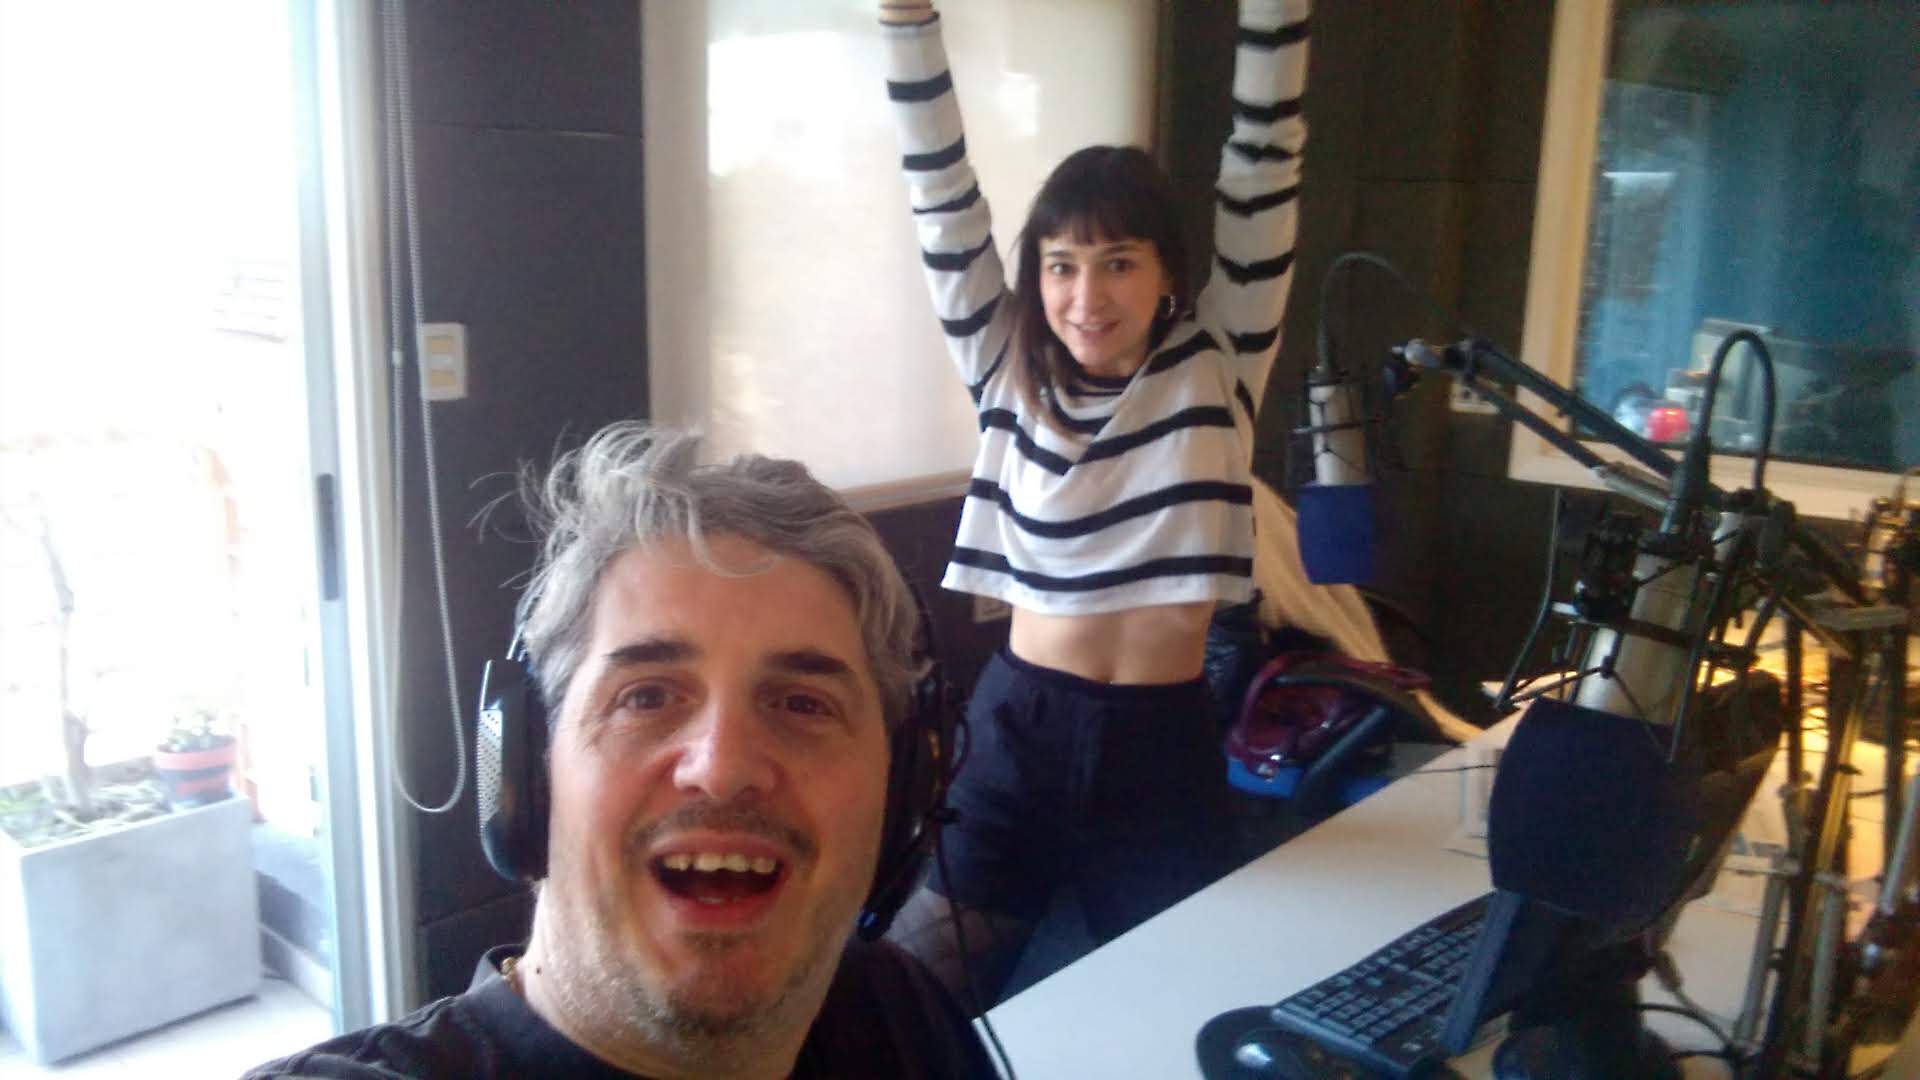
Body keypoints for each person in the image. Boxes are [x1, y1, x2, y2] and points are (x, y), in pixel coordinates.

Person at [246, 423, 993, 1078]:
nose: (722, 766)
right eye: (647, 697)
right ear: (528, 772)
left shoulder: (901, 1012)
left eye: (802, 704)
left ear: (904, 793)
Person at [877, 0, 1313, 1006]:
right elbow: (941, 193)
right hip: (1017, 734)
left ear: (1167, 276)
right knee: (912, 1002)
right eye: (1061, 265)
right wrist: (906, 21)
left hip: (1161, 750)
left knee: (1179, 1013)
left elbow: (1266, 158)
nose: (1086, 296)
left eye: (1119, 263)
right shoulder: (1005, 364)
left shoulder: (1220, 361)